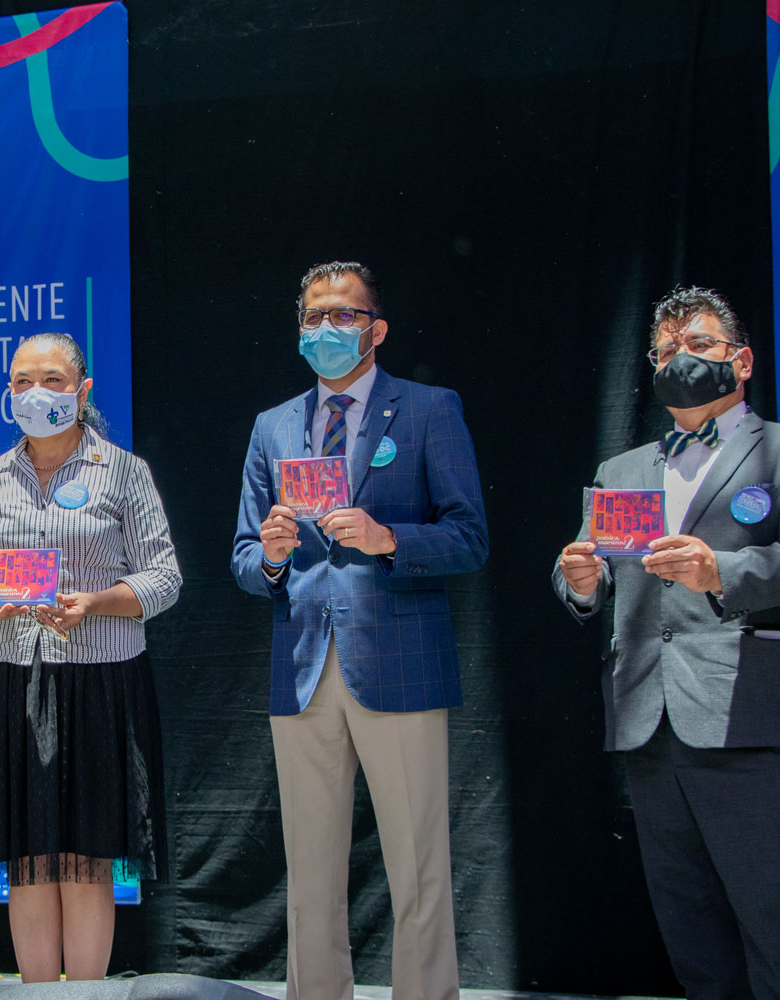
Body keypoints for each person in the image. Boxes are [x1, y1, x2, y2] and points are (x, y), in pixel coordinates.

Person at [552, 287, 780, 1000]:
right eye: (664, 351)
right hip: (650, 725)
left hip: (754, 723)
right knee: (695, 944)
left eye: (699, 344)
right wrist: (580, 580)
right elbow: (593, 577)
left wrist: (723, 571)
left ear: (741, 361)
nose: (679, 359)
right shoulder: (621, 471)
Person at [232, 262, 488, 1000]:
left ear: (377, 330)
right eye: (313, 317)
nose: (326, 329)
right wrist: (271, 556)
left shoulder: (429, 409)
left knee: (417, 870)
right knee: (309, 875)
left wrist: (388, 539)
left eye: (343, 315)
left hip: (400, 660)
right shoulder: (273, 425)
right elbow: (245, 558)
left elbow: (470, 537)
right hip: (303, 666)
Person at [0, 332, 180, 982]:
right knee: (30, 859)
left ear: (82, 390)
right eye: (22, 381)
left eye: (51, 380)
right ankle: (38, 997)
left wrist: (95, 603)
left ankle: (87, 998)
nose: (35, 393)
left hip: (98, 684)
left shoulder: (124, 472)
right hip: (6, 680)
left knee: (83, 859)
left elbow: (164, 578)